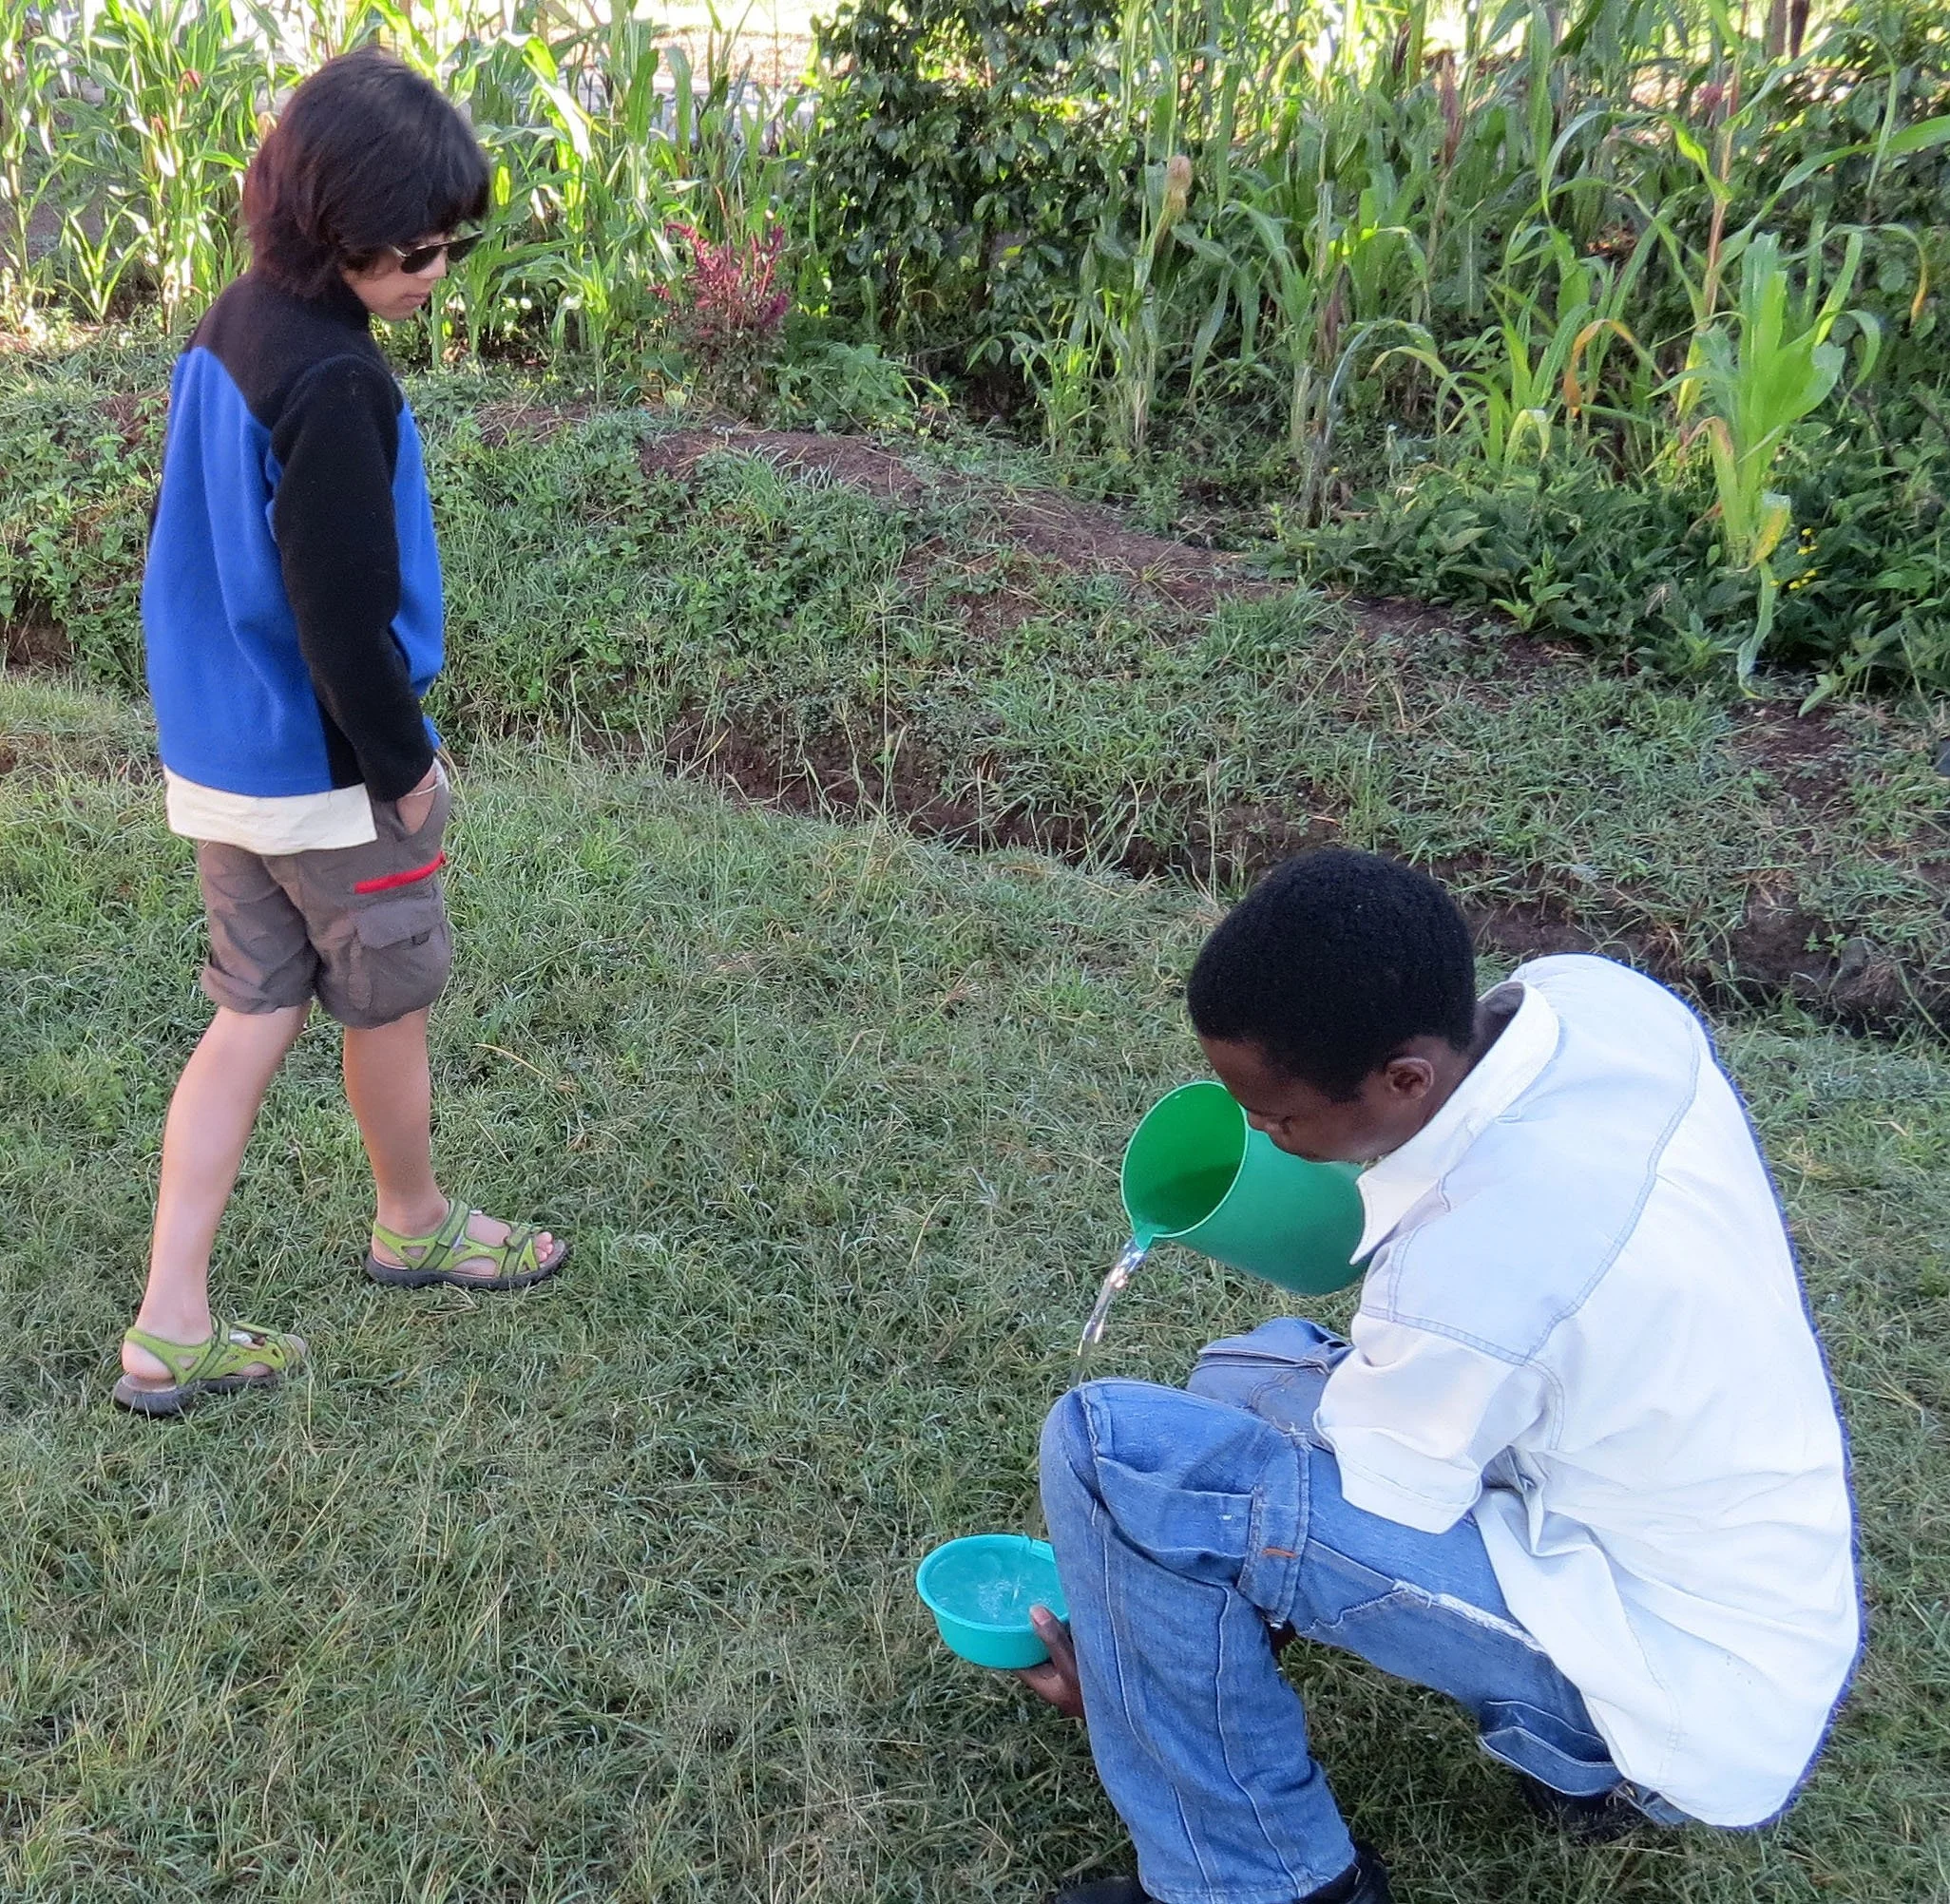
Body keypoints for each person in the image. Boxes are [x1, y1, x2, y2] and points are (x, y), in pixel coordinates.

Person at [1018, 849, 1859, 1904]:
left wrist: (1141, 1675)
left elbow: (1382, 1485)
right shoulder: (1594, 1003)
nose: (1266, 1137)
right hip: (1729, 1556)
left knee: (1118, 1456)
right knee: (1242, 1380)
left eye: (1278, 1119)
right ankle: (1204, 1668)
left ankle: (1261, 1881)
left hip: (1673, 1678)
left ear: (1407, 1078)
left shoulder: (1474, 1273)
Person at [116, 48, 566, 1417]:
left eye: (454, 244)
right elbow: (341, 615)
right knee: (390, 996)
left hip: (220, 764)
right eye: (423, 249)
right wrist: (408, 771)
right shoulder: (337, 385)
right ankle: (413, 1221)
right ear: (341, 233)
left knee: (249, 1017)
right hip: (322, 779)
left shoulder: (235, 320)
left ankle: (169, 1322)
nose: (441, 271)